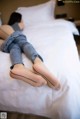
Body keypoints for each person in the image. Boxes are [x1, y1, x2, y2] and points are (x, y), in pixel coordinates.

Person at [0, 12, 60, 89]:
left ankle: (18, 66)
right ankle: (37, 61)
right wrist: (21, 22)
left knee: (14, 46)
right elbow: (22, 25)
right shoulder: (15, 26)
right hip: (4, 29)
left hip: (2, 43)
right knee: (22, 42)